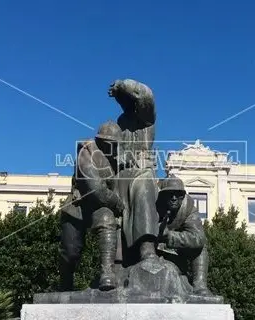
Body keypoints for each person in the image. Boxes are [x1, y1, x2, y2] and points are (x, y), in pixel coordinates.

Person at [59, 121, 124, 291]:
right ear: (102, 141)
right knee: (70, 253)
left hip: (99, 208)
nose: (114, 148)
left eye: (116, 145)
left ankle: (107, 273)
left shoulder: (115, 161)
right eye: (112, 144)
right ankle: (65, 284)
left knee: (107, 219)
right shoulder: (86, 153)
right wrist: (117, 202)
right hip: (78, 208)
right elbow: (96, 191)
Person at [108, 79, 159, 265]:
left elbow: (147, 96)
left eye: (126, 97)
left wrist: (123, 84)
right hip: (121, 174)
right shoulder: (119, 124)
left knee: (143, 188)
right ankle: (115, 259)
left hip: (142, 170)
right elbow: (111, 151)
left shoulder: (146, 119)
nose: (123, 102)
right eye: (120, 99)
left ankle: (147, 248)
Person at [156, 175, 212, 296]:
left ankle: (200, 286)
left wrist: (169, 236)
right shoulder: (153, 203)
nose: (174, 198)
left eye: (179, 195)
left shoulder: (189, 207)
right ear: (162, 196)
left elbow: (198, 238)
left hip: (176, 250)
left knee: (201, 248)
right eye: (170, 194)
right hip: (155, 250)